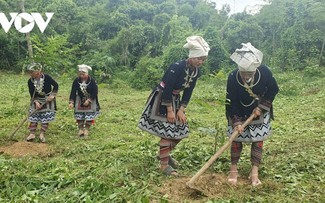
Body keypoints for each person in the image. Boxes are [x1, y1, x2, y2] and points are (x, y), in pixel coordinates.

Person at [138, 36, 210, 176]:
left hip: (176, 98)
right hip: (162, 97)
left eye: (203, 59)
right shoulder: (176, 67)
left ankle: (163, 153)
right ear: (192, 56)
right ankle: (164, 166)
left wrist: (181, 110)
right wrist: (170, 110)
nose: (200, 62)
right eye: (198, 58)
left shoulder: (195, 71)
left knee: (181, 131)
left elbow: (189, 91)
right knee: (167, 131)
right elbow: (167, 88)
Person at [225, 43, 279, 186]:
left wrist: (261, 107)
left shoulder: (265, 72)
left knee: (258, 139)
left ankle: (254, 172)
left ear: (255, 70)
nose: (246, 76)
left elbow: (273, 90)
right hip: (239, 110)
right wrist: (236, 122)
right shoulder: (232, 77)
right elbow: (231, 100)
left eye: (249, 74)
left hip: (259, 109)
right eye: (243, 73)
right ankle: (233, 171)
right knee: (236, 138)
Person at [26, 63, 59, 143]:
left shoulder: (47, 77)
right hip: (37, 99)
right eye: (29, 72)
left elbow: (56, 86)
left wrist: (52, 95)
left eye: (31, 72)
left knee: (45, 117)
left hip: (48, 99)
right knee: (34, 115)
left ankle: (42, 134)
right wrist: (36, 102)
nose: (30, 74)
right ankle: (32, 133)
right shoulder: (30, 81)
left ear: (37, 72)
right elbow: (32, 94)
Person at [68, 64, 100, 138]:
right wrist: (71, 102)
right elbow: (73, 91)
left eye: (83, 74)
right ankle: (81, 129)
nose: (81, 76)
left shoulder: (92, 81)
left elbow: (95, 92)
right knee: (79, 115)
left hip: (91, 99)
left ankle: (86, 129)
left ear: (87, 73)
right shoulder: (76, 81)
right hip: (80, 99)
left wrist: (89, 100)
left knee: (90, 115)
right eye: (80, 74)